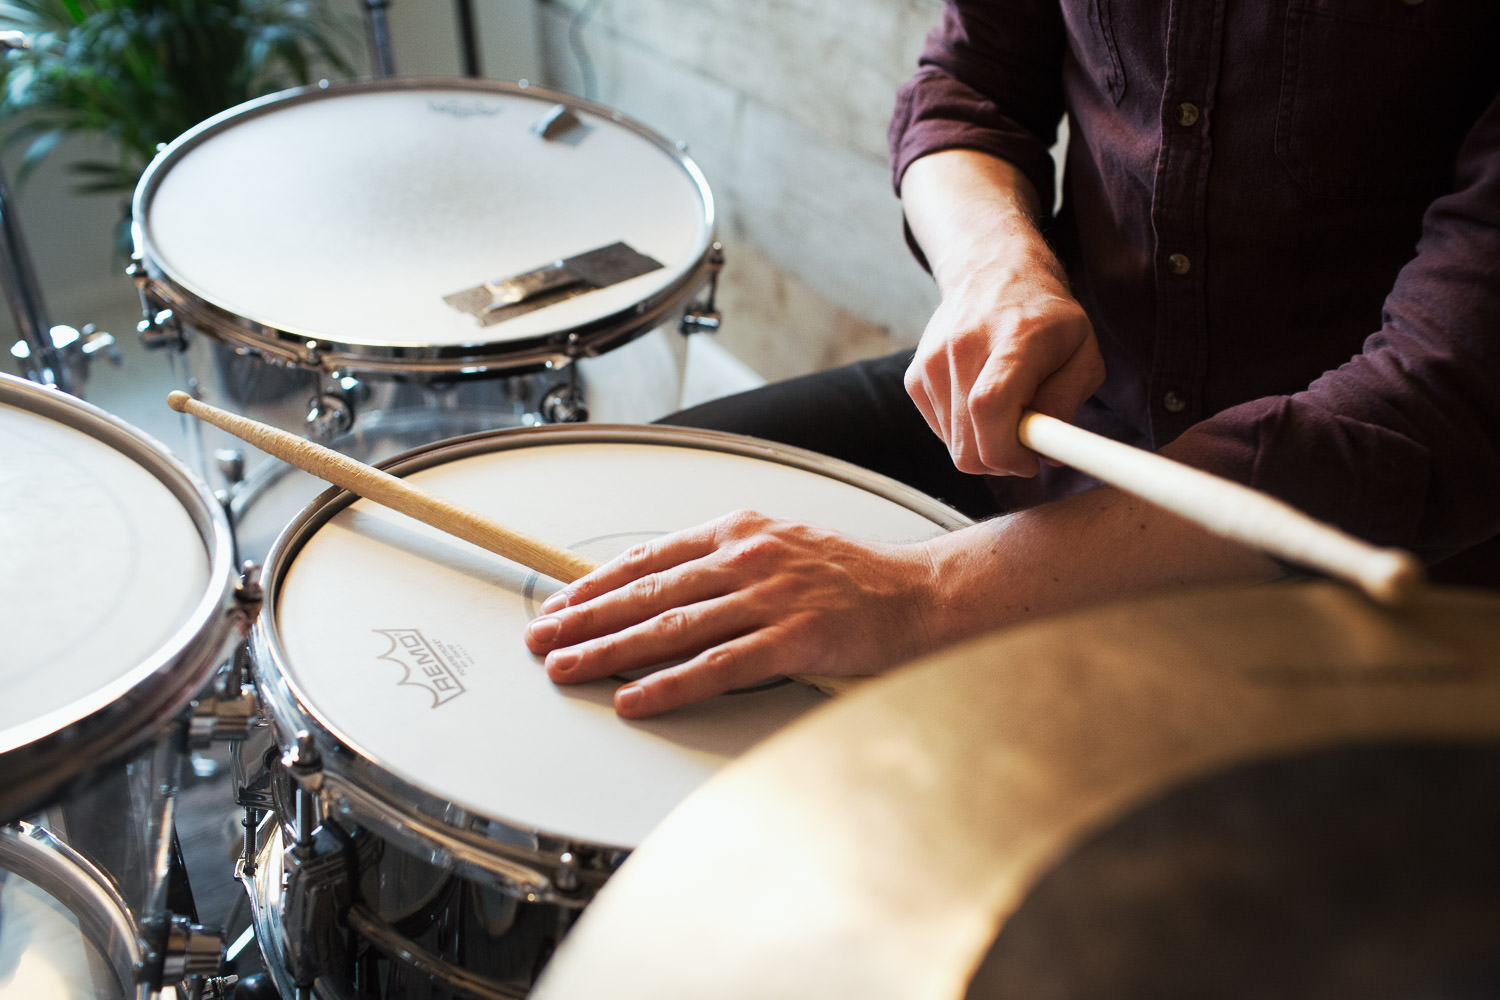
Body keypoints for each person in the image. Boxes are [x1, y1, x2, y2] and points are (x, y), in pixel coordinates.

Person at [527, 0, 1500, 717]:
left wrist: (919, 593)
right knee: (616, 515)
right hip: (1066, 422)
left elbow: (1428, 409)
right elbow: (969, 85)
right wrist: (997, 261)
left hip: (1355, 567)